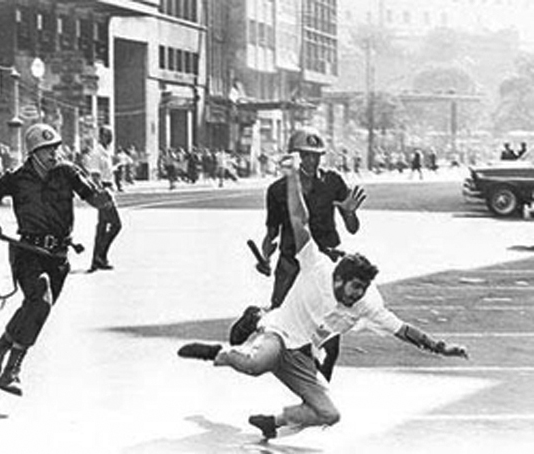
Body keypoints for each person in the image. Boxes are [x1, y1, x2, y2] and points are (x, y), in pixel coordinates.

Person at [177, 152, 469, 439]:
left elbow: (403, 330)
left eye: (363, 289)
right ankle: (220, 351)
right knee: (256, 365)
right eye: (355, 287)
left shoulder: (366, 303)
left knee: (329, 414)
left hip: (304, 352)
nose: (358, 295)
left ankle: (274, 423)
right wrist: (291, 176)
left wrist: (439, 347)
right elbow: (298, 220)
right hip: (280, 334)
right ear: (338, 278)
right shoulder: (317, 266)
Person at [0, 123, 114, 396]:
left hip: (58, 257)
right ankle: (12, 370)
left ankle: (0, 347)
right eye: (47, 150)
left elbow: (92, 197)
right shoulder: (17, 177)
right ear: (33, 153)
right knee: (40, 300)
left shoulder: (67, 172)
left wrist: (104, 200)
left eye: (55, 148)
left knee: (36, 309)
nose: (54, 154)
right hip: (27, 251)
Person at [230, 127, 366, 382]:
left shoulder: (333, 182)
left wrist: (349, 212)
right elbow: (271, 232)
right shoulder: (278, 190)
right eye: (305, 155)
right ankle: (256, 316)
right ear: (293, 157)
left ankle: (319, 391)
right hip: (292, 263)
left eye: (316, 156)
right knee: (281, 325)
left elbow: (353, 228)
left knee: (331, 339)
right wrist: (265, 257)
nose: (311, 161)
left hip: (326, 265)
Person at [84, 125, 122, 272]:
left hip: (108, 189)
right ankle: (100, 256)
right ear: (100, 137)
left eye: (111, 135)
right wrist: (102, 194)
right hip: (103, 192)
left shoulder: (106, 153)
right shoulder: (96, 153)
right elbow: (95, 176)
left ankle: (97, 260)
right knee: (116, 225)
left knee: (102, 227)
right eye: (107, 135)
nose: (110, 138)